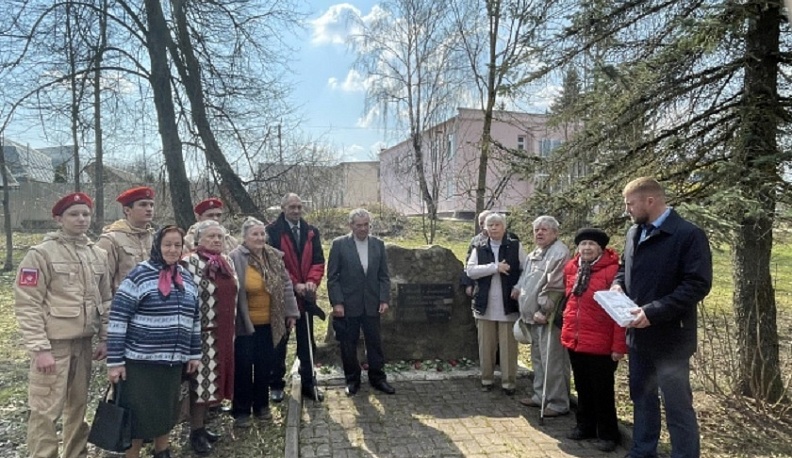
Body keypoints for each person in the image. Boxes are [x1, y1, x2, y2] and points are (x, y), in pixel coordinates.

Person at [612, 177, 712, 458]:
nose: (627, 210)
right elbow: (624, 267)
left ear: (650, 201)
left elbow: (697, 285)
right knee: (642, 399)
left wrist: (653, 312)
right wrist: (618, 284)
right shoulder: (634, 233)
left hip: (671, 340)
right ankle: (642, 451)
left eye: (630, 204)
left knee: (677, 405)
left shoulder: (688, 234)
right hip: (638, 336)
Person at [14, 193, 112, 458]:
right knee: (46, 410)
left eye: (85, 214)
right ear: (59, 219)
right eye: (74, 214)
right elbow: (27, 303)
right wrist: (39, 348)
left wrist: (105, 337)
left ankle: (76, 453)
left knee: (78, 407)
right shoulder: (41, 254)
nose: (81, 219)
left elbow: (106, 298)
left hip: (83, 343)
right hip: (53, 346)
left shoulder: (97, 254)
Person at [106, 226, 202, 458]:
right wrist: (115, 361)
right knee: (138, 416)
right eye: (167, 244)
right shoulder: (140, 274)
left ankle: (162, 451)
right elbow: (119, 318)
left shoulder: (186, 277)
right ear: (157, 246)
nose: (172, 249)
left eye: (177, 245)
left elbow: (194, 318)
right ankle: (132, 455)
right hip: (140, 363)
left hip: (172, 363)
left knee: (165, 411)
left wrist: (194, 353)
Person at [229, 217, 298, 427]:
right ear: (245, 237)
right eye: (254, 234)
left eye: (261, 234)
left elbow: (286, 285)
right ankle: (241, 411)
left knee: (263, 365)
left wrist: (291, 312)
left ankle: (261, 406)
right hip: (244, 323)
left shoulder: (274, 256)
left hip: (270, 321)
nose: (259, 238)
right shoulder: (235, 258)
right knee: (243, 367)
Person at [560, 228, 625, 452]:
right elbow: (570, 302)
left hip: (601, 343)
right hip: (576, 340)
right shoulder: (572, 267)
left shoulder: (612, 272)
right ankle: (585, 426)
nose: (586, 248)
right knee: (582, 387)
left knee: (602, 390)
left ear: (601, 248)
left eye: (591, 244)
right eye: (583, 244)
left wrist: (618, 346)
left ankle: (608, 434)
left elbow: (619, 313)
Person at [182, 220, 238, 455]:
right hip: (202, 335)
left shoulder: (226, 261)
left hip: (224, 333)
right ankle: (195, 432)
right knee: (200, 385)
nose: (216, 240)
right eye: (211, 237)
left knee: (212, 384)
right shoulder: (189, 262)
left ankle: (202, 427)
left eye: (220, 236)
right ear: (198, 240)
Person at [327, 208, 395, 396]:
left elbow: (384, 276)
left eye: (366, 225)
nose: (363, 229)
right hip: (348, 304)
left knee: (374, 342)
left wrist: (383, 298)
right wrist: (337, 303)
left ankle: (378, 378)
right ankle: (352, 379)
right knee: (348, 344)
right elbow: (333, 277)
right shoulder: (339, 245)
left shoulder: (378, 245)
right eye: (359, 225)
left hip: (372, 303)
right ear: (351, 226)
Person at [266, 193, 326, 402]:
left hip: (306, 298)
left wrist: (311, 282)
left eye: (299, 207)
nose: (296, 211)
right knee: (279, 342)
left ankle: (309, 383)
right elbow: (274, 263)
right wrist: (294, 284)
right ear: (283, 208)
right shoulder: (272, 231)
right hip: (282, 296)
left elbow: (318, 260)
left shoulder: (311, 231)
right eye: (292, 207)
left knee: (307, 342)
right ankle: (275, 385)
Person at [465, 213, 526, 395]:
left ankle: (509, 382)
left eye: (497, 224)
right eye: (490, 225)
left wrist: (518, 286)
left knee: (508, 346)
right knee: (486, 345)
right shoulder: (479, 246)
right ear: (485, 228)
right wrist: (494, 267)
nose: (493, 228)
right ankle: (487, 379)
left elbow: (526, 269)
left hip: (508, 303)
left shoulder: (515, 246)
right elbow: (471, 270)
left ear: (504, 227)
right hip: (485, 304)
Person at [516, 215, 571, 416]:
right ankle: (540, 396)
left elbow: (556, 287)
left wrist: (544, 311)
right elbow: (526, 278)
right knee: (538, 359)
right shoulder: (535, 253)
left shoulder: (559, 253)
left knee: (553, 361)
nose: (539, 233)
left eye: (544, 229)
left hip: (548, 317)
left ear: (555, 233)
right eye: (536, 230)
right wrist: (518, 288)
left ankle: (558, 403)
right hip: (532, 317)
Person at [97, 186, 156, 292]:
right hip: (123, 303)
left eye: (151, 205)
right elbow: (103, 282)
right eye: (143, 204)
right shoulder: (111, 239)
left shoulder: (155, 238)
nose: (149, 209)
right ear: (127, 210)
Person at [460, 210, 492, 298]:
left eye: (484, 222)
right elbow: (468, 262)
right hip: (479, 282)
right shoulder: (475, 241)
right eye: (480, 223)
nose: (482, 226)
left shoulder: (505, 239)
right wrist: (468, 284)